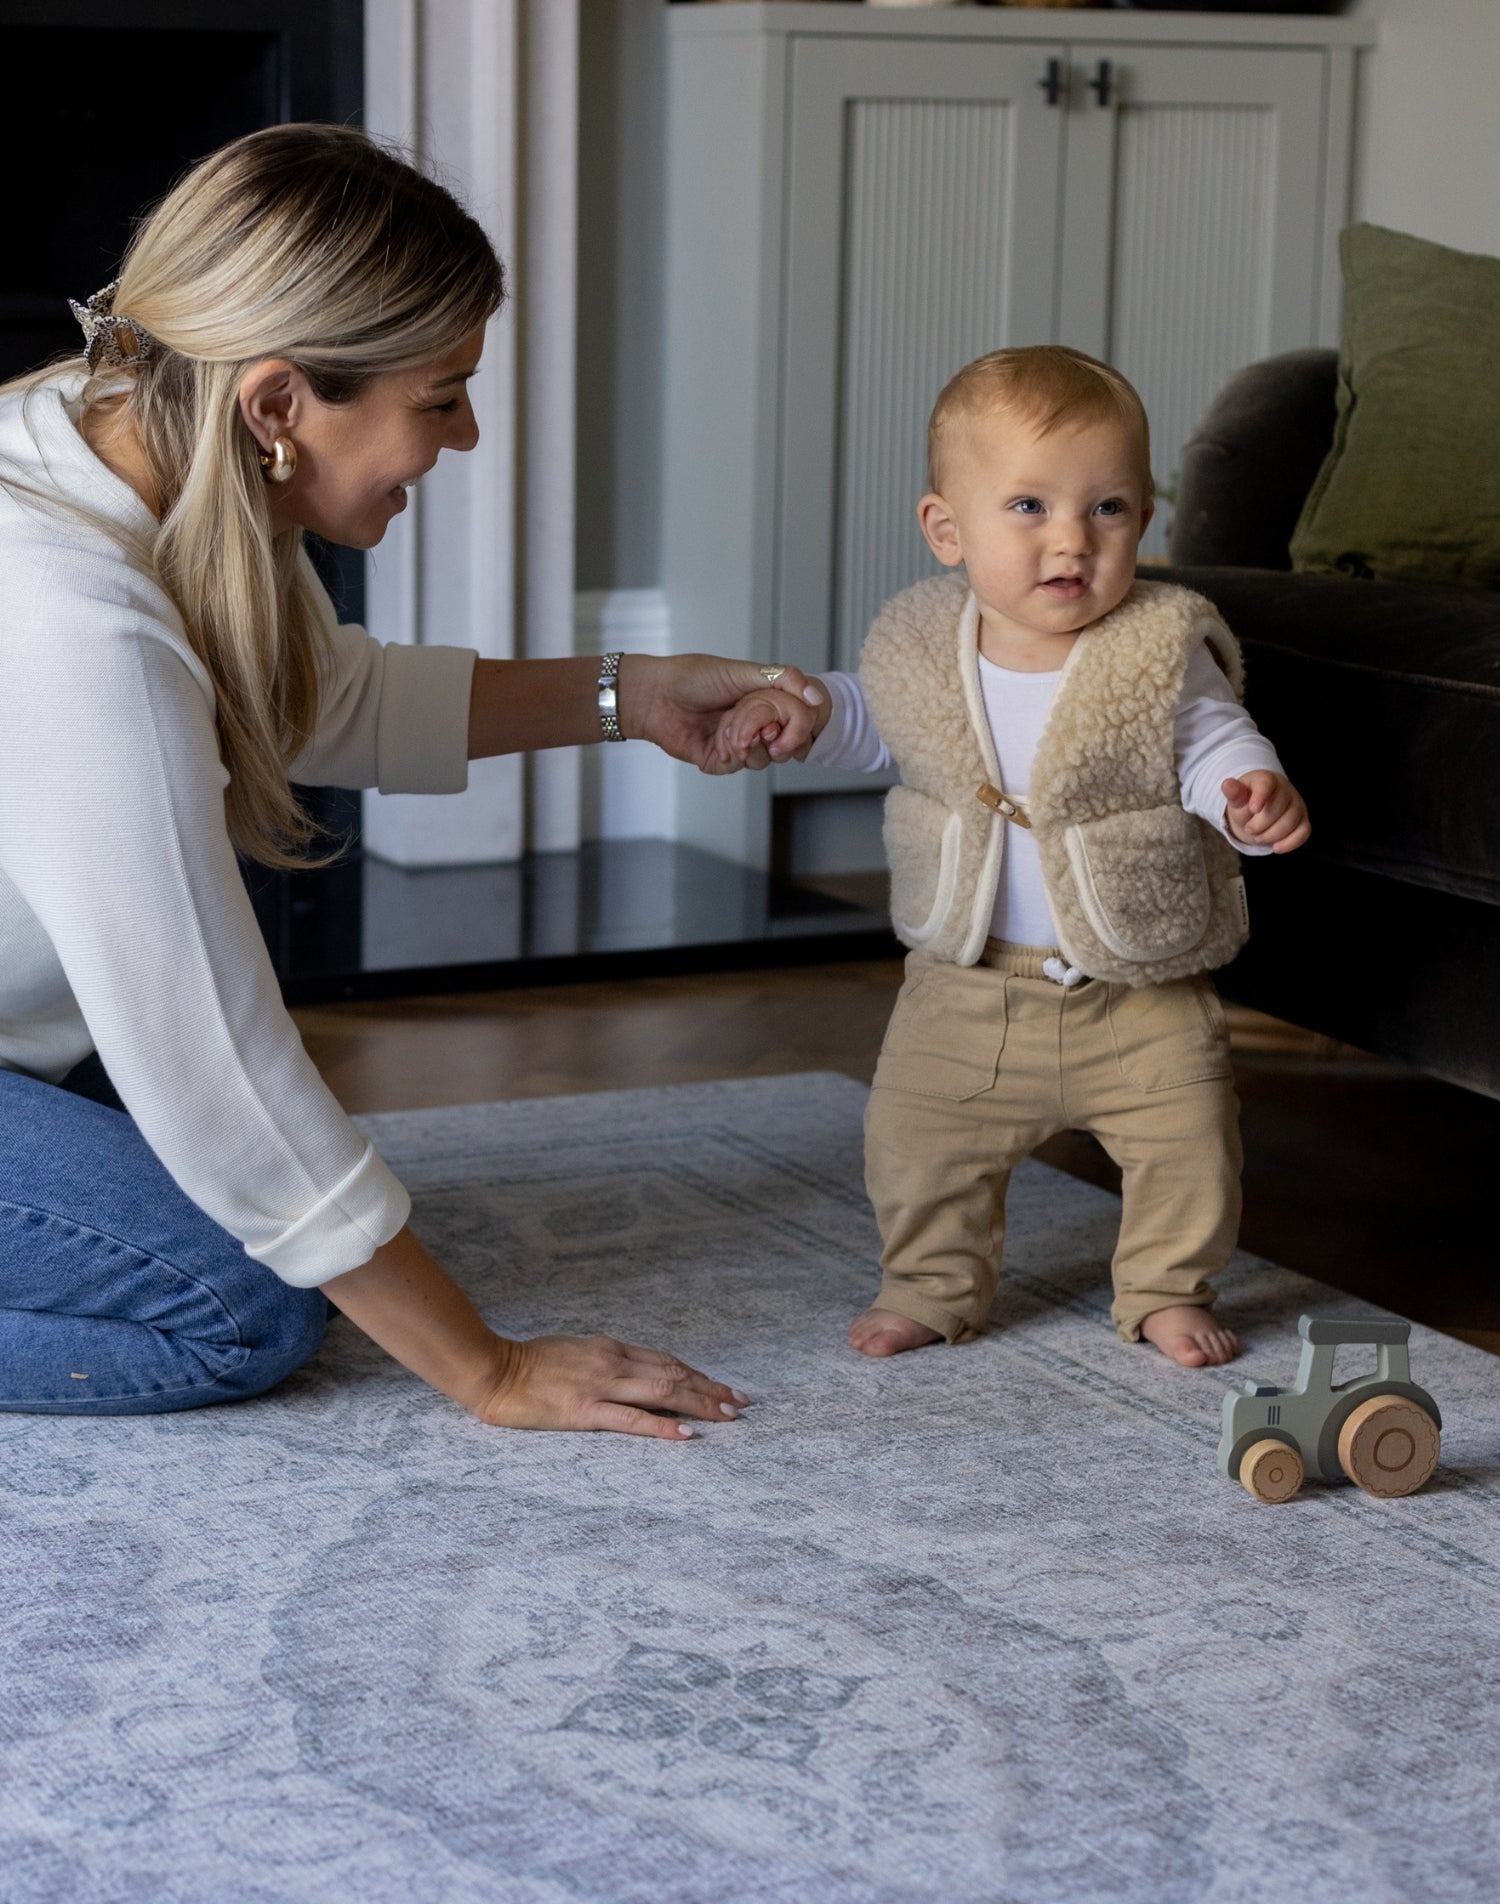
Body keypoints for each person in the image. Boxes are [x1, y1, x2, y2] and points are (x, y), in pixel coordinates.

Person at [0, 123, 824, 1434]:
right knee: (242, 1305)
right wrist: (485, 1370)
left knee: (278, 1198)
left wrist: (636, 692)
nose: (469, 431)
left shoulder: (126, 436)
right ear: (279, 406)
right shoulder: (70, 628)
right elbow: (214, 1065)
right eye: (439, 396)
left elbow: (318, 698)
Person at [715, 345, 1310, 1370]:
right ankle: (931, 1284)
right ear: (947, 529)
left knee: (1191, 1148)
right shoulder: (918, 644)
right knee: (915, 1144)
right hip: (969, 989)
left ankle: (1168, 1284)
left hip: (1141, 989)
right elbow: (868, 719)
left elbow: (1212, 734)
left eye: (1110, 508)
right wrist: (799, 714)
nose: (1072, 538)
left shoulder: (1160, 644)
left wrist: (1243, 788)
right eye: (1029, 507)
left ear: (1143, 520)